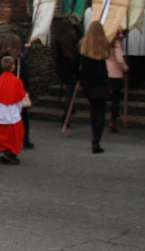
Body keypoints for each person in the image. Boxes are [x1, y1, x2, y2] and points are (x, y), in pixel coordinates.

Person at [0, 34, 33, 149]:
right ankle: (22, 140)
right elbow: (25, 77)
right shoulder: (18, 60)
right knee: (19, 118)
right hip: (15, 92)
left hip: (0, 92)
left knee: (0, 118)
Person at [79, 21, 112, 154]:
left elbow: (79, 63)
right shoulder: (104, 45)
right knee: (100, 112)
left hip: (88, 82)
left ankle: (94, 137)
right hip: (101, 82)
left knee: (93, 111)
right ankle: (96, 141)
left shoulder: (84, 45)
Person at [0, 56, 26, 165]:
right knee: (15, 133)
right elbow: (20, 98)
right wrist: (19, 110)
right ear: (12, 67)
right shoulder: (16, 81)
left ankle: (2, 153)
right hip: (12, 110)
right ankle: (10, 153)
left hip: (0, 110)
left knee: (1, 134)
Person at [51, 19, 81, 125]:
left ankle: (70, 109)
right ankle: (65, 117)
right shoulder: (69, 39)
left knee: (68, 91)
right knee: (69, 92)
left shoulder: (55, 39)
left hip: (60, 67)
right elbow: (80, 37)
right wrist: (76, 26)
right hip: (69, 67)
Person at [106, 30, 129, 133]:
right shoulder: (116, 43)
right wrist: (125, 68)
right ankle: (113, 119)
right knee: (116, 98)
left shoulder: (106, 41)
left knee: (111, 96)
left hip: (107, 72)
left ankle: (111, 117)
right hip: (115, 73)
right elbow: (119, 59)